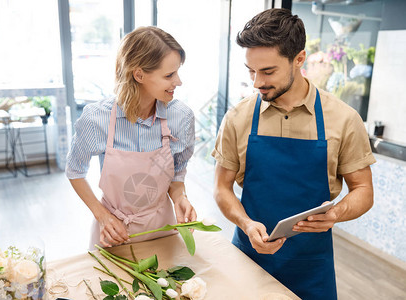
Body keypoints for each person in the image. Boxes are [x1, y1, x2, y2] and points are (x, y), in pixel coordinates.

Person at [211, 8, 375, 300]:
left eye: (268, 71)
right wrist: (247, 225)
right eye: (251, 70)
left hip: (311, 268)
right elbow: (221, 188)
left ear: (299, 59)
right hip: (249, 256)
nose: (256, 82)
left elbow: (363, 190)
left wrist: (335, 213)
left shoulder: (343, 119)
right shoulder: (237, 118)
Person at [66, 26, 197, 250]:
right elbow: (75, 171)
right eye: (169, 75)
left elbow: (177, 172)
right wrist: (103, 216)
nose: (178, 81)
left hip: (162, 231)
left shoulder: (181, 117)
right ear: (139, 74)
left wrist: (179, 197)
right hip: (113, 233)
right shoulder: (97, 118)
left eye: (177, 72)